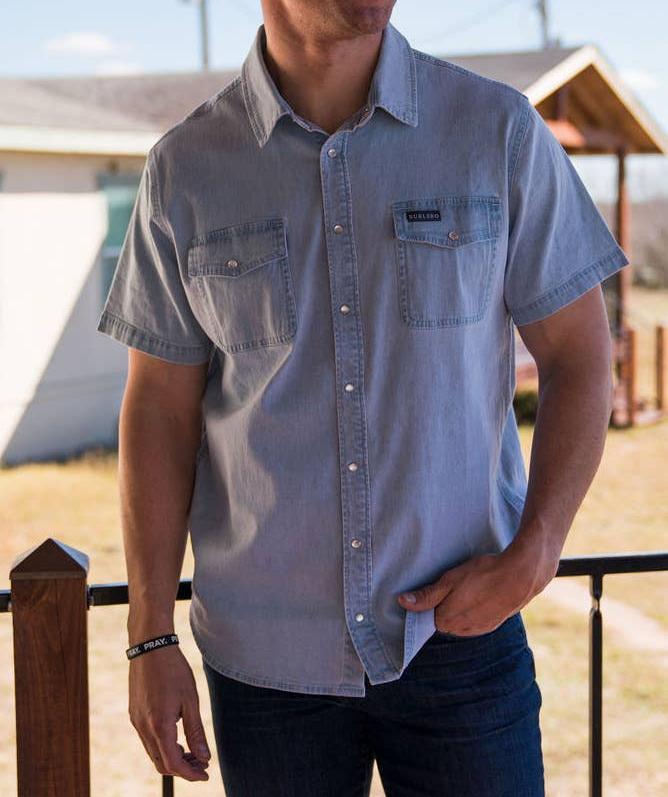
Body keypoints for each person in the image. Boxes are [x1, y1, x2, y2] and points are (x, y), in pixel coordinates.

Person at [96, 1, 629, 794]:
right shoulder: (187, 167)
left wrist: (537, 549)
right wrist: (149, 636)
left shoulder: (496, 131)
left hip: (460, 646)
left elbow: (583, 356)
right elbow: (158, 411)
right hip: (265, 671)